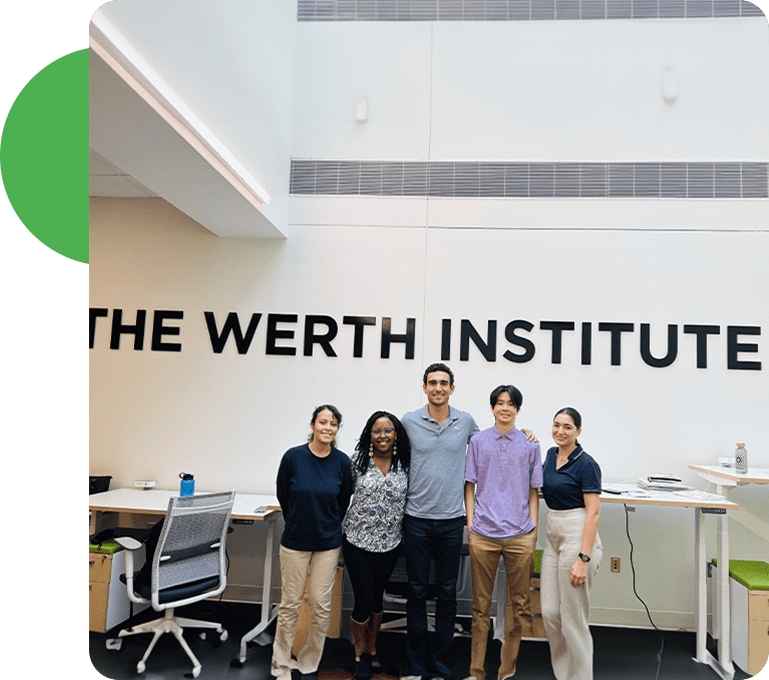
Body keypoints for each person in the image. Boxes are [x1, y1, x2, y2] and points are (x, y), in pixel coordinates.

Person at [399, 363, 479, 680]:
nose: (438, 388)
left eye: (443, 383)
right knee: (417, 593)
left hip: (451, 521)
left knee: (447, 595)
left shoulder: (466, 421)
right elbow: (384, 447)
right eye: (432, 383)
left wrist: (523, 435)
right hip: (416, 520)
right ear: (424, 387)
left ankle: (441, 663)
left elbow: (490, 445)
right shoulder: (408, 421)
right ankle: (416, 664)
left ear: (452, 388)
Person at [463, 385, 542, 680]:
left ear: (518, 410)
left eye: (510, 404)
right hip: (483, 533)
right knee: (479, 606)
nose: (505, 408)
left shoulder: (531, 445)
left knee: (519, 605)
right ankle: (476, 671)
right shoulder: (478, 441)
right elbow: (469, 486)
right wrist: (472, 526)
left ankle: (506, 670)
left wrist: (532, 530)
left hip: (521, 535)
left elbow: (535, 491)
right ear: (493, 408)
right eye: (499, 403)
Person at [272, 405, 353, 680]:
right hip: (295, 541)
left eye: (333, 424)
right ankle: (280, 663)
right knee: (290, 605)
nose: (327, 428)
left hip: (328, 544)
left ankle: (308, 661)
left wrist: (325, 524)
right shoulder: (293, 458)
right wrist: (299, 520)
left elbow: (343, 502)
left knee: (321, 605)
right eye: (322, 422)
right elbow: (284, 496)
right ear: (312, 425)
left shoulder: (343, 463)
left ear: (337, 429)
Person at [343, 411, 411, 679]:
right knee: (363, 601)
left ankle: (372, 649)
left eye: (388, 430)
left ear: (396, 434)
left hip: (390, 544)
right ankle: (359, 653)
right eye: (377, 431)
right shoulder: (357, 463)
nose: (382, 436)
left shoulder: (405, 464)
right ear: (369, 435)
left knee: (377, 601)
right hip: (357, 543)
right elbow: (340, 497)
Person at [540, 407, 603, 680]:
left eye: (567, 427)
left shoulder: (586, 463)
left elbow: (594, 512)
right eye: (556, 425)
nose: (560, 431)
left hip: (577, 533)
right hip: (553, 532)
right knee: (551, 613)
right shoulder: (551, 455)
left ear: (578, 431)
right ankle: (565, 675)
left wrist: (583, 558)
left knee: (573, 620)